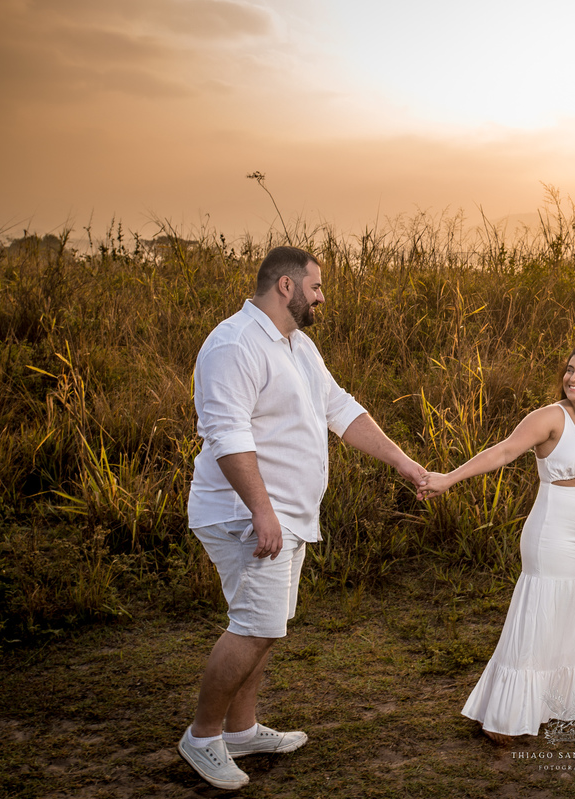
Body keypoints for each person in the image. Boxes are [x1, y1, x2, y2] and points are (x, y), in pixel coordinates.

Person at [179, 245, 427, 789]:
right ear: (286, 286)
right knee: (254, 626)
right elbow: (226, 435)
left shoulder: (299, 346)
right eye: (316, 286)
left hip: (287, 515)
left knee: (266, 627)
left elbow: (341, 410)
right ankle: (202, 736)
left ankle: (241, 729)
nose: (322, 297)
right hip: (246, 516)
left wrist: (404, 464)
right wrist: (262, 511)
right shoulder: (234, 344)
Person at [421, 344, 575, 744]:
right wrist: (448, 479)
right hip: (552, 537)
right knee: (542, 619)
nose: (573, 378)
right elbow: (504, 451)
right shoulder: (550, 417)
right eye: (570, 370)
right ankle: (506, 715)